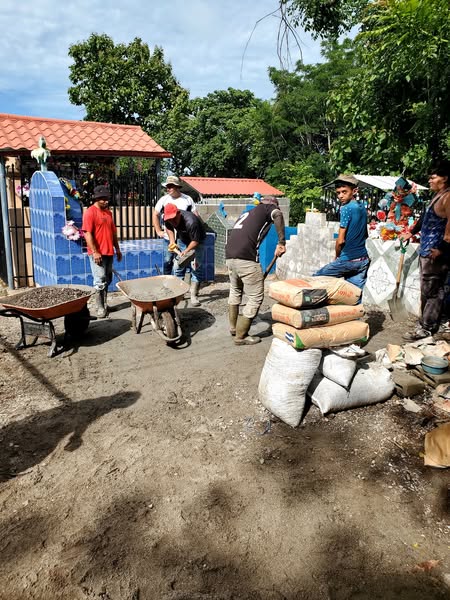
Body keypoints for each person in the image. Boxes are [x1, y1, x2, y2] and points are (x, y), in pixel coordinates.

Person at [225, 195, 286, 345]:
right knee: (255, 296)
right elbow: (277, 214)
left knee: (235, 290)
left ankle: (233, 328)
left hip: (230, 257)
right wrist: (281, 243)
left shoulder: (249, 212)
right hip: (246, 258)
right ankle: (241, 336)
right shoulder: (269, 208)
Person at [401, 161, 450, 340]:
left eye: (433, 177)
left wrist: (441, 248)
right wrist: (411, 232)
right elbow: (424, 218)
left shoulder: (448, 197)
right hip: (427, 251)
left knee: (433, 291)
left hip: (435, 252)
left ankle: (427, 328)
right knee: (429, 289)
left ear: (445, 178)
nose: (429, 180)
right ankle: (428, 323)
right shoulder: (438, 195)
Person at [314, 174, 369, 292]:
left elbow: (340, 240)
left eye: (344, 192)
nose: (340, 196)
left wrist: (337, 256)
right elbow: (365, 234)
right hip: (363, 260)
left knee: (315, 279)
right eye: (338, 193)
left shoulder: (346, 208)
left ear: (354, 191)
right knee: (354, 295)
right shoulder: (362, 207)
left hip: (348, 259)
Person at [82, 185, 122, 318]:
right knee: (99, 280)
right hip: (97, 253)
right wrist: (95, 252)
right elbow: (87, 233)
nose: (106, 201)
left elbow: (113, 233)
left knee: (107, 278)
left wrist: (117, 249)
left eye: (107, 198)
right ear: (96, 199)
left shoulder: (108, 213)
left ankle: (105, 304)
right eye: (103, 199)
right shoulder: (90, 212)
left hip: (109, 251)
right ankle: (100, 307)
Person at [152, 175, 198, 275]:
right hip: (168, 236)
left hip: (183, 237)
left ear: (177, 187)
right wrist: (158, 231)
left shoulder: (187, 200)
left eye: (170, 186)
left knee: (182, 260)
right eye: (167, 187)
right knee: (167, 260)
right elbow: (155, 214)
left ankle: (181, 280)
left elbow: (195, 216)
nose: (167, 189)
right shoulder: (163, 200)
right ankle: (167, 279)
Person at [163, 203, 206, 307]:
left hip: (198, 241)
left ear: (178, 213)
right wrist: (172, 241)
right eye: (170, 219)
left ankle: (194, 295)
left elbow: (195, 241)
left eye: (174, 219)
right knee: (178, 266)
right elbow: (169, 227)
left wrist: (186, 251)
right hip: (182, 239)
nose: (173, 221)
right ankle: (179, 293)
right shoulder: (168, 218)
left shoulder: (191, 221)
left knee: (196, 267)